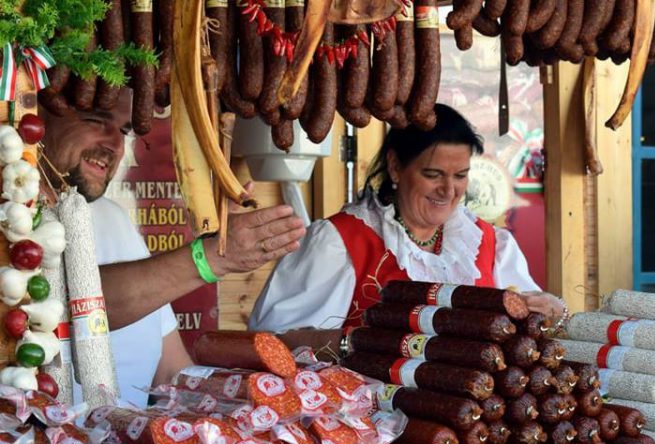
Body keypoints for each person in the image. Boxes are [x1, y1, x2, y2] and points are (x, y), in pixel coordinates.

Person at [39, 90, 306, 406]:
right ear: (39, 118)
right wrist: (210, 257)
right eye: (96, 120)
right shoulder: (13, 219)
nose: (114, 144)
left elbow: (171, 373)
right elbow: (73, 303)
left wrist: (260, 400)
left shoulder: (114, 218)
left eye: (124, 131)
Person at [249, 104, 564, 346]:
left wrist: (548, 312)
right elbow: (274, 342)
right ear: (396, 167)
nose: (449, 190)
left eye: (460, 175)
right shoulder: (339, 243)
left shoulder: (490, 245)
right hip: (366, 420)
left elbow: (529, 332)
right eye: (433, 175)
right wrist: (360, 345)